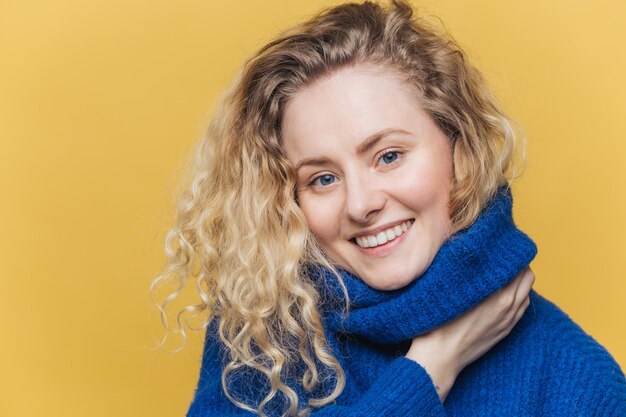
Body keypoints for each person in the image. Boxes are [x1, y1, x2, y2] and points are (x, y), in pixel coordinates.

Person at [151, 1, 626, 416]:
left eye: (389, 156)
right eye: (323, 178)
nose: (361, 204)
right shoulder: (261, 338)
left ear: (460, 150)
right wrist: (429, 371)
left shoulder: (577, 378)